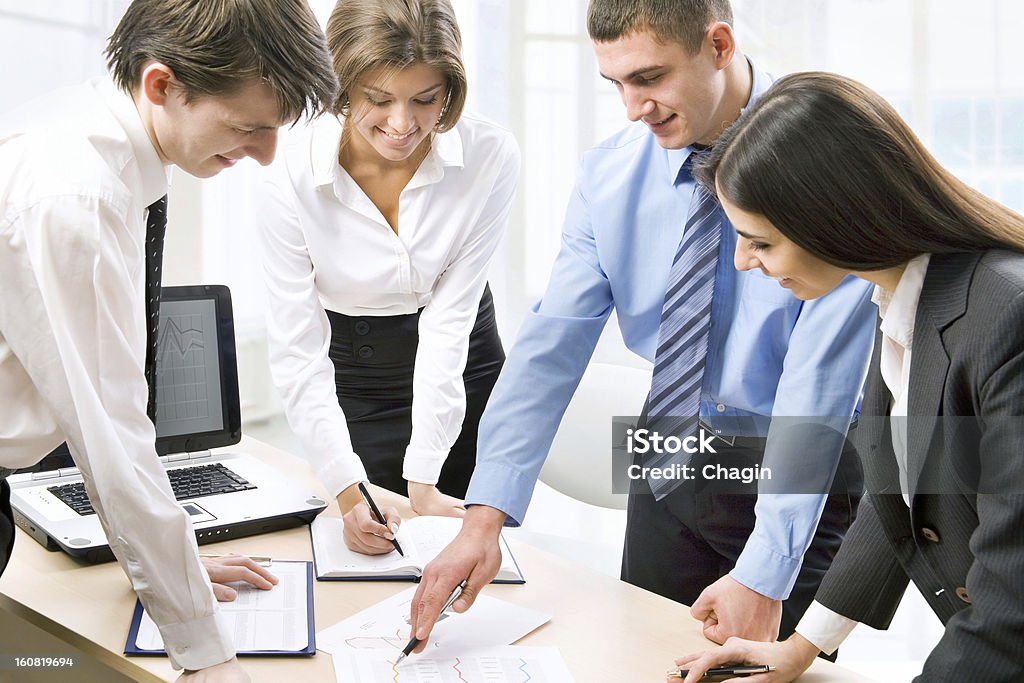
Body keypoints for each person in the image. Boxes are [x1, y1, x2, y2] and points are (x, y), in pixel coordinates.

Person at [409, 0, 877, 652]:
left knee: (765, 670)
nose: (633, 107)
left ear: (718, 46)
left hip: (800, 466)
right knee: (647, 658)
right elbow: (551, 346)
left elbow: (817, 390)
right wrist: (483, 518)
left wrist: (766, 575)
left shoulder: (827, 163)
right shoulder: (610, 174)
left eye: (650, 78)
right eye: (617, 84)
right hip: (669, 457)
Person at [0, 1, 336, 680]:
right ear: (161, 84)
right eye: (249, 127)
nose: (267, 153)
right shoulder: (76, 192)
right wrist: (205, 650)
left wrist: (169, 564)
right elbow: (111, 433)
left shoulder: (99, 140)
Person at [676, 71, 1024, 682]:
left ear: (834, 217)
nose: (742, 262)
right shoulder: (903, 299)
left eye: (759, 242)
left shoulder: (1006, 316)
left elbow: (1012, 596)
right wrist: (798, 647)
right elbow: (896, 494)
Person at [258, 0, 519, 555]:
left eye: (426, 100)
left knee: (476, 550)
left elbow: (450, 323)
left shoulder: (489, 154)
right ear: (342, 85)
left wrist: (425, 478)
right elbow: (298, 350)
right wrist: (348, 492)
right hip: (354, 362)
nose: (402, 125)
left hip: (465, 358)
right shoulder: (288, 166)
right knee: (374, 548)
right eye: (378, 100)